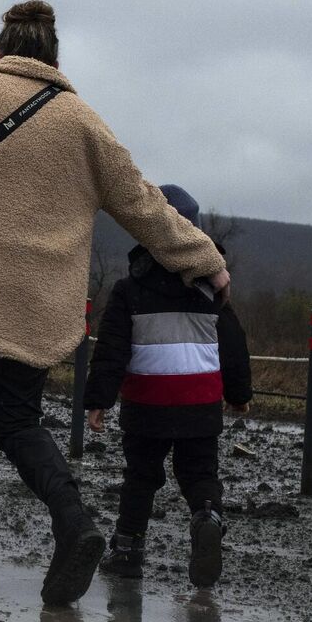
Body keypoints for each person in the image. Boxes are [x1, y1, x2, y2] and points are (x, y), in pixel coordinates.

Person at [0, 0, 230, 607]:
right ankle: (74, 523)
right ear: (54, 59)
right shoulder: (83, 122)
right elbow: (143, 205)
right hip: (35, 298)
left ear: (0, 53)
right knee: (18, 422)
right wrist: (205, 260)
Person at [82, 184, 252, 587]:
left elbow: (111, 350)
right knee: (199, 473)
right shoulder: (213, 291)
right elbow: (233, 344)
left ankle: (127, 551)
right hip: (200, 404)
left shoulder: (129, 290)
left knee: (141, 476)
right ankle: (207, 517)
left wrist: (98, 400)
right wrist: (239, 394)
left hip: (147, 404)